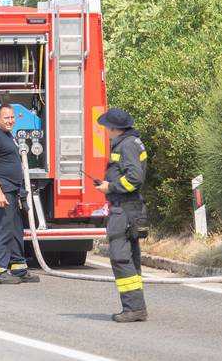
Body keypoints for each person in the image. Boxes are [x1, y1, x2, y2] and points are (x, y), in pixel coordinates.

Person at [96, 108, 149, 322]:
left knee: (120, 257)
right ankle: (136, 307)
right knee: (130, 258)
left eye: (107, 127)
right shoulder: (132, 142)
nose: (105, 130)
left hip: (124, 209)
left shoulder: (126, 145)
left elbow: (134, 178)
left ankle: (133, 308)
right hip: (130, 207)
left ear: (115, 128)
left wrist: (111, 187)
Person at [0, 104, 40, 284]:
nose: (10, 121)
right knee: (1, 230)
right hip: (2, 191)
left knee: (15, 230)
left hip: (13, 191)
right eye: (6, 118)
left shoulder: (8, 135)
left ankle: (18, 267)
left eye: (12, 117)